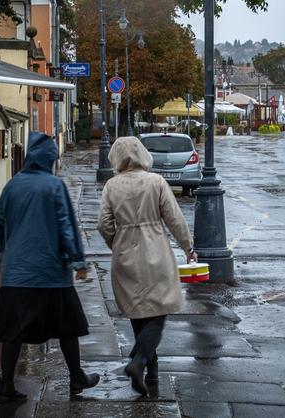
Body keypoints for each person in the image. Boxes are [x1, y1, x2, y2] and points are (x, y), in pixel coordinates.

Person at [0, 132, 100, 400]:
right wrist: (78, 261)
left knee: (12, 331)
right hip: (51, 274)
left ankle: (7, 384)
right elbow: (67, 226)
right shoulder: (54, 186)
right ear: (50, 157)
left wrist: (2, 260)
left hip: (17, 275)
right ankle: (76, 378)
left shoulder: (12, 185)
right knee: (67, 328)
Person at [97, 136, 196, 396]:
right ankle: (139, 361)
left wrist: (116, 244)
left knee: (138, 311)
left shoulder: (111, 186)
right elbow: (174, 218)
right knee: (159, 310)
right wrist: (188, 247)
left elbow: (104, 224)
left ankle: (151, 371)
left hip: (124, 254)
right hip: (156, 251)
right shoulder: (156, 182)